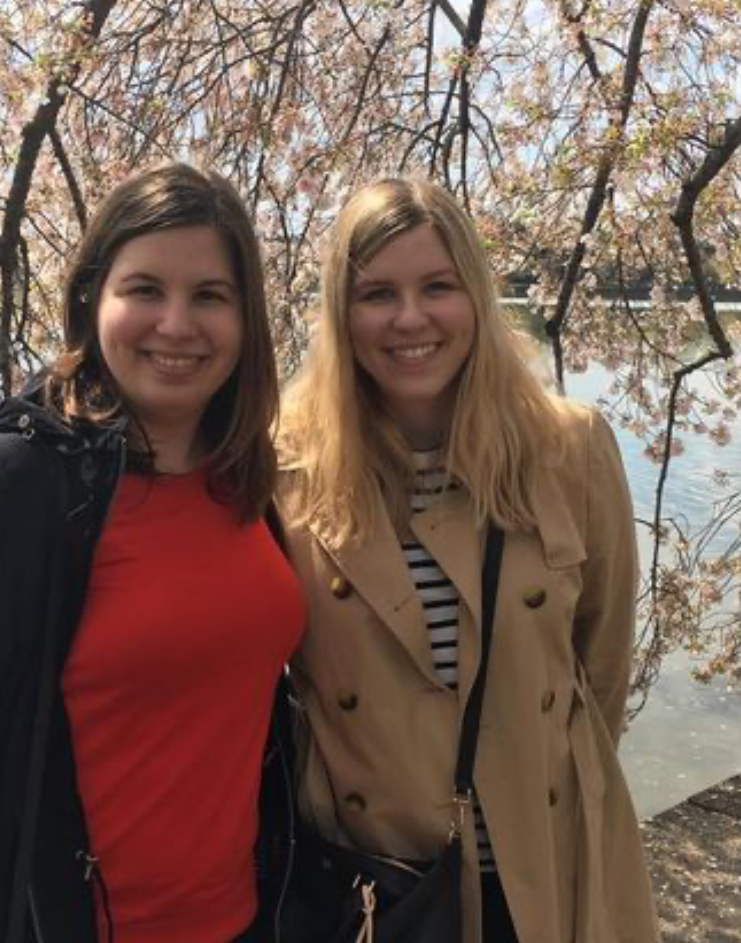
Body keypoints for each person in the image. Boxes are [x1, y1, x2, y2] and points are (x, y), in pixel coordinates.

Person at [0, 163, 305, 943]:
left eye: (210, 296)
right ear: (91, 298)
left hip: (245, 921)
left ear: (246, 318)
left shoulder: (245, 481)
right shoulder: (15, 484)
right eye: (145, 289)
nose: (176, 323)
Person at [274, 178, 660, 943]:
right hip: (382, 886)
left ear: (476, 297)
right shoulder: (286, 469)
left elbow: (600, 664)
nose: (410, 318)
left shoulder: (568, 448)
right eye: (377, 293)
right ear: (341, 312)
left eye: (437, 287)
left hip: (544, 863)